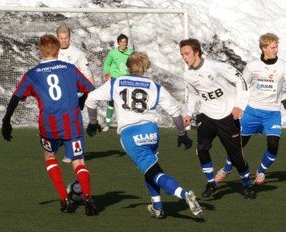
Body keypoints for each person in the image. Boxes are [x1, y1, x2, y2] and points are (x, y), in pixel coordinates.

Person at [85, 51, 203, 219]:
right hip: (151, 132)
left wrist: (93, 121)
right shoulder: (154, 86)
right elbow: (175, 111)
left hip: (131, 134)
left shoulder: (116, 83)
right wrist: (182, 134)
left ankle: (184, 194)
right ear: (146, 67)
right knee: (150, 167)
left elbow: (91, 99)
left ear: (127, 67)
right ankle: (157, 207)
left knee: (153, 172)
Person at [1, 34, 99, 215]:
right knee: (78, 161)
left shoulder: (32, 74)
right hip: (72, 124)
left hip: (49, 126)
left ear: (40, 51)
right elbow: (90, 89)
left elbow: (16, 97)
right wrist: (82, 101)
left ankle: (64, 199)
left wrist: (6, 120)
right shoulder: (69, 69)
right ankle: (87, 198)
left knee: (50, 157)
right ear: (58, 50)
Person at [214, 33, 286, 186]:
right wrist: (237, 105)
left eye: (277, 46)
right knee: (237, 146)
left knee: (273, 145)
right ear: (264, 48)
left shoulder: (284, 67)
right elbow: (242, 86)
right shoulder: (252, 66)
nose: (276, 50)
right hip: (252, 111)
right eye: (273, 47)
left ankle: (261, 172)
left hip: (272, 113)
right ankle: (226, 169)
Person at [180, 38, 256, 199]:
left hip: (227, 115)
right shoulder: (187, 75)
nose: (184, 57)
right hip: (207, 115)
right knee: (201, 149)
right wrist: (189, 113)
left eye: (187, 53)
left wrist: (239, 105)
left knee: (236, 157)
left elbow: (240, 80)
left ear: (197, 52)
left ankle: (247, 183)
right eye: (182, 54)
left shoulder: (216, 66)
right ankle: (211, 182)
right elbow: (193, 93)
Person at [56, 23, 95, 163]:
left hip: (73, 98)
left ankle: (75, 154)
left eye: (66, 38)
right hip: (56, 98)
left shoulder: (78, 54)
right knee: (58, 126)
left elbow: (88, 77)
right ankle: (65, 147)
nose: (63, 41)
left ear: (70, 37)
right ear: (57, 38)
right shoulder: (52, 53)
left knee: (73, 126)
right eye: (61, 38)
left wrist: (87, 96)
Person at [102, 33, 134, 132]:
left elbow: (136, 63)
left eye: (125, 42)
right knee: (112, 101)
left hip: (127, 81)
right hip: (115, 80)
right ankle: (107, 124)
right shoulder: (113, 53)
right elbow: (107, 64)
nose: (123, 44)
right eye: (121, 42)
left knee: (126, 103)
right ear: (118, 43)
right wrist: (107, 74)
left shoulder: (131, 52)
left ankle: (125, 124)